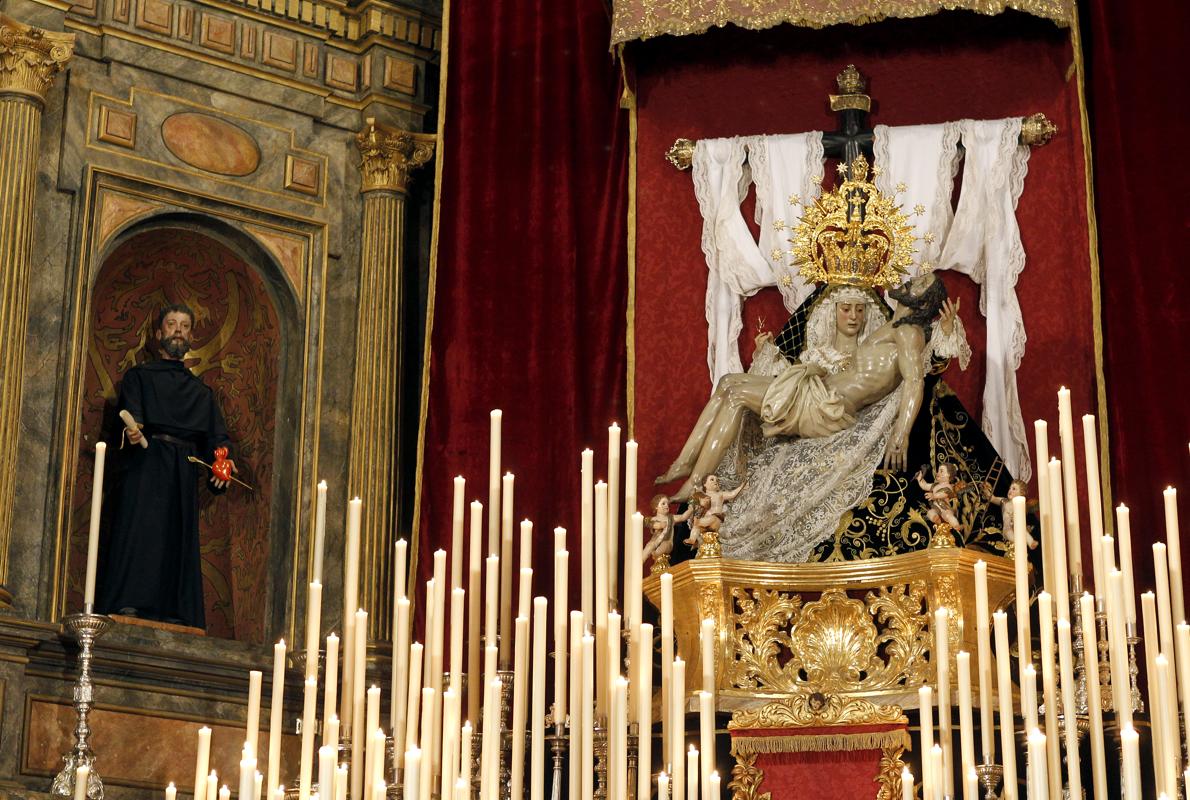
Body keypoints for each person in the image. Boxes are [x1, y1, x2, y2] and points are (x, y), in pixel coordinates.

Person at [657, 271, 956, 500]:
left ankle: (695, 482)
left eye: (921, 284)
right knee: (727, 383)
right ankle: (686, 463)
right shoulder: (893, 328)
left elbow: (915, 380)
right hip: (817, 390)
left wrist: (901, 434)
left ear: (923, 301)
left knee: (735, 395)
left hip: (826, 405)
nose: (913, 280)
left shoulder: (909, 333)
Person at [97, 303, 235, 628]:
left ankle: (176, 611)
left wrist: (223, 465)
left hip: (182, 473)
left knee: (177, 541)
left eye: (185, 326)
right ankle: (129, 601)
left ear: (190, 337)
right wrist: (132, 432)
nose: (178, 330)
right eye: (172, 324)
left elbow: (218, 441)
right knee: (140, 533)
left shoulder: (202, 393)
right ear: (159, 334)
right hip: (145, 467)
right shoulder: (139, 377)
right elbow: (129, 418)